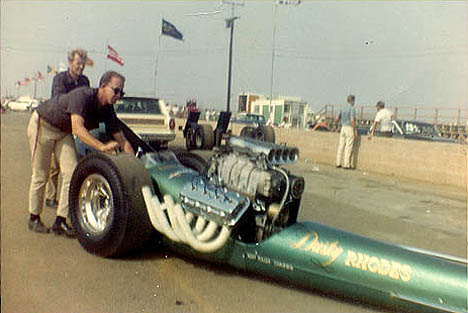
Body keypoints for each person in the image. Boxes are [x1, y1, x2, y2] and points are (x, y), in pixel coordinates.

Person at [26, 71, 134, 237]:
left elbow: (122, 140)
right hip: (44, 124)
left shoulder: (107, 110)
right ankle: (34, 218)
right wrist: (101, 146)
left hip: (63, 132)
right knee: (41, 174)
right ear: (103, 86)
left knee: (72, 173)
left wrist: (133, 164)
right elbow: (78, 128)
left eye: (121, 92)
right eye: (116, 90)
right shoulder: (83, 96)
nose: (118, 95)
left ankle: (60, 221)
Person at [45, 48, 90, 208]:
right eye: (78, 63)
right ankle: (51, 196)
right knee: (53, 167)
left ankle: (67, 199)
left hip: (74, 127)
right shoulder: (60, 79)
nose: (81, 67)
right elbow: (59, 100)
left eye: (83, 64)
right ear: (70, 62)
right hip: (56, 125)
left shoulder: (85, 81)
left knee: (70, 165)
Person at [336, 94, 358, 169]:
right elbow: (352, 120)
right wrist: (354, 130)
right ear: (352, 101)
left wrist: (336, 125)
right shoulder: (352, 108)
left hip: (343, 127)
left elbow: (337, 118)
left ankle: (338, 162)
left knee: (341, 146)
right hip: (349, 127)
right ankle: (346, 164)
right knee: (348, 146)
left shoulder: (342, 108)